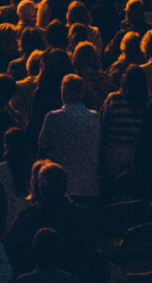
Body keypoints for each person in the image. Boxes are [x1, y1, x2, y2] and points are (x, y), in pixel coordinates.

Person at [39, 73, 104, 202]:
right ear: (82, 93)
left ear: (63, 92)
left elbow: (42, 147)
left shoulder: (53, 117)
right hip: (89, 185)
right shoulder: (94, 117)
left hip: (59, 187)